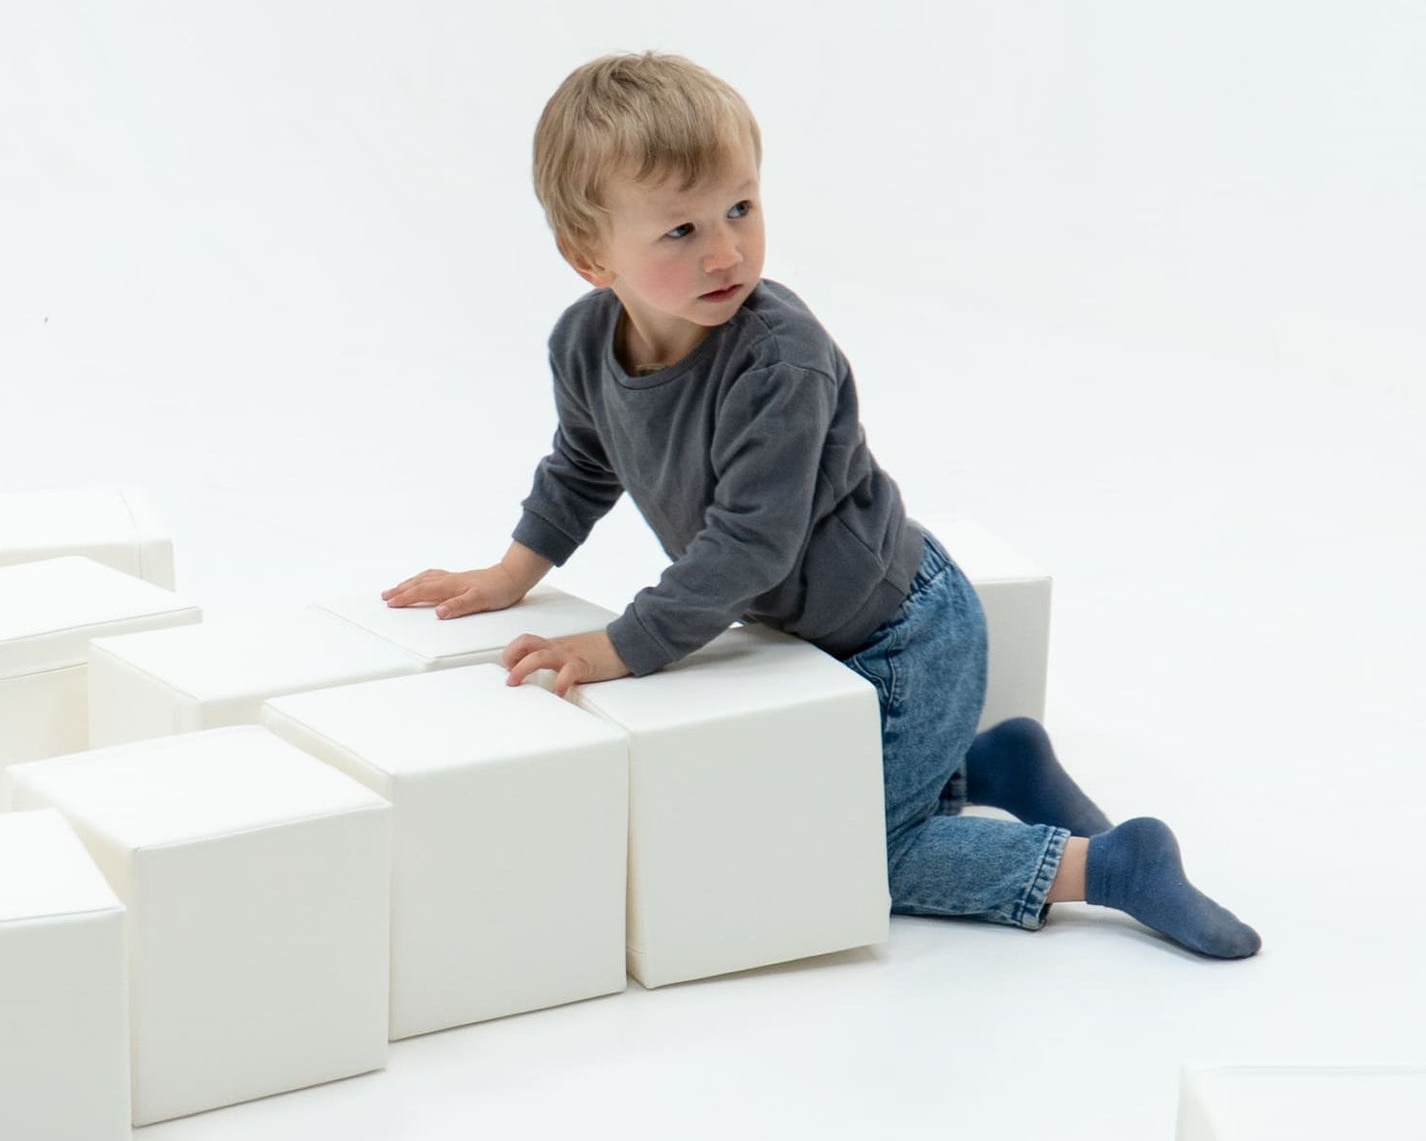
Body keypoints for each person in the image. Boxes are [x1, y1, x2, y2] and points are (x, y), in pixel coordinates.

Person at [382, 52, 1259, 957]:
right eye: (680, 230)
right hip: (809, 640)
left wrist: (625, 645)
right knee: (807, 817)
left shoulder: (779, 360)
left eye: (740, 208)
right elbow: (582, 462)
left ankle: (1110, 866)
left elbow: (749, 545)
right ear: (590, 257)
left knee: (856, 855)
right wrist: (511, 573)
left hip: (904, 638)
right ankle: (992, 764)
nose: (725, 251)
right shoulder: (582, 343)